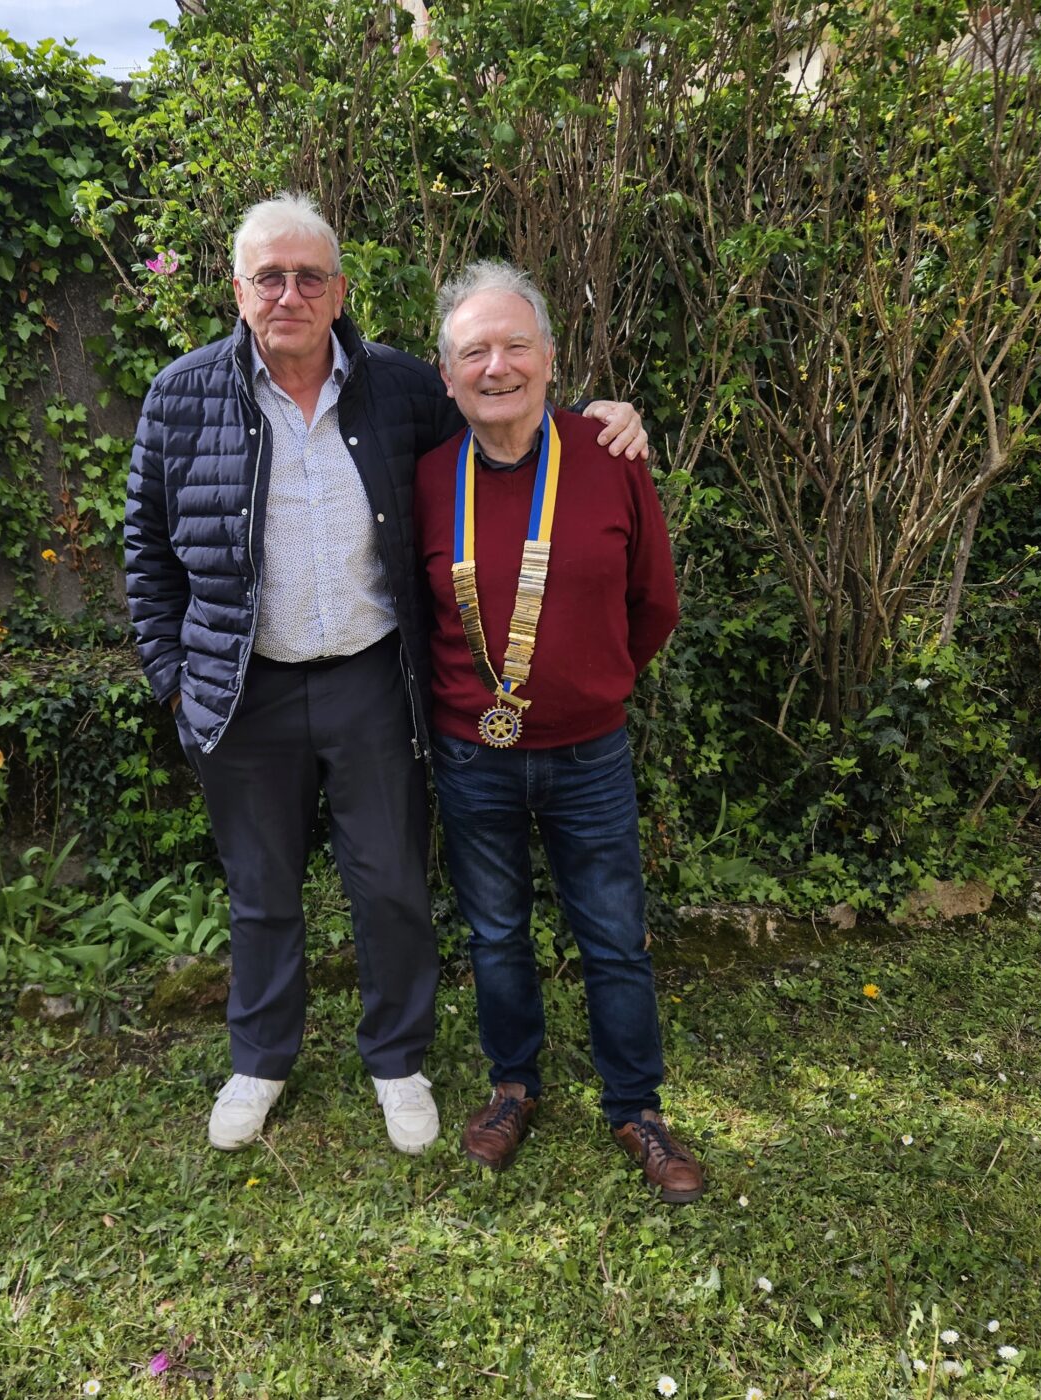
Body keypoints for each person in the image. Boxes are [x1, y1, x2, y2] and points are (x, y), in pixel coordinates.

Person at [124, 196, 648, 1156]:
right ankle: (260, 1060)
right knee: (261, 888)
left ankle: (398, 1060)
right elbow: (146, 554)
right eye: (269, 277)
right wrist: (175, 680)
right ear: (238, 291)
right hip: (243, 687)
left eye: (309, 277)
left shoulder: (399, 387)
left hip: (371, 679)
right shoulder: (180, 396)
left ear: (340, 291)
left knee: (392, 882)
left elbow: (506, 424)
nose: (289, 295)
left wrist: (604, 419)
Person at [413, 260, 705, 1202]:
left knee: (613, 936)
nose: (495, 366)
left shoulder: (610, 455)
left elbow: (655, 602)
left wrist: (593, 686)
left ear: (548, 356)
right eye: (473, 352)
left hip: (589, 754)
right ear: (447, 374)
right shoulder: (427, 478)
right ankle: (513, 1087)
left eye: (515, 346)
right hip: (474, 755)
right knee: (496, 933)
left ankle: (637, 1107)